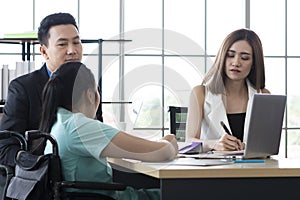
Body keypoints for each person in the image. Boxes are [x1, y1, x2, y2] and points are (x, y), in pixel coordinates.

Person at [40, 61, 178, 199]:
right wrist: (168, 141)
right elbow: (162, 152)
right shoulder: (79, 126)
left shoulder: (59, 122)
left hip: (84, 196)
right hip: (107, 197)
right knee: (177, 193)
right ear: (90, 95)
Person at [0, 12, 103, 167]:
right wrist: (44, 165)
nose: (72, 50)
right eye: (62, 44)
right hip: (38, 182)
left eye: (76, 42)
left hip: (80, 175)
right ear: (44, 51)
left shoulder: (88, 85)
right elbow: (5, 148)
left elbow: (96, 133)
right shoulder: (23, 88)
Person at [185, 28, 270, 152]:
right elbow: (189, 141)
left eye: (245, 58)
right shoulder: (200, 93)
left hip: (254, 167)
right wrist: (214, 144)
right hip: (214, 168)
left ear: (254, 64)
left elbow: (267, 143)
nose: (236, 63)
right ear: (222, 58)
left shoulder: (263, 96)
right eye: (230, 55)